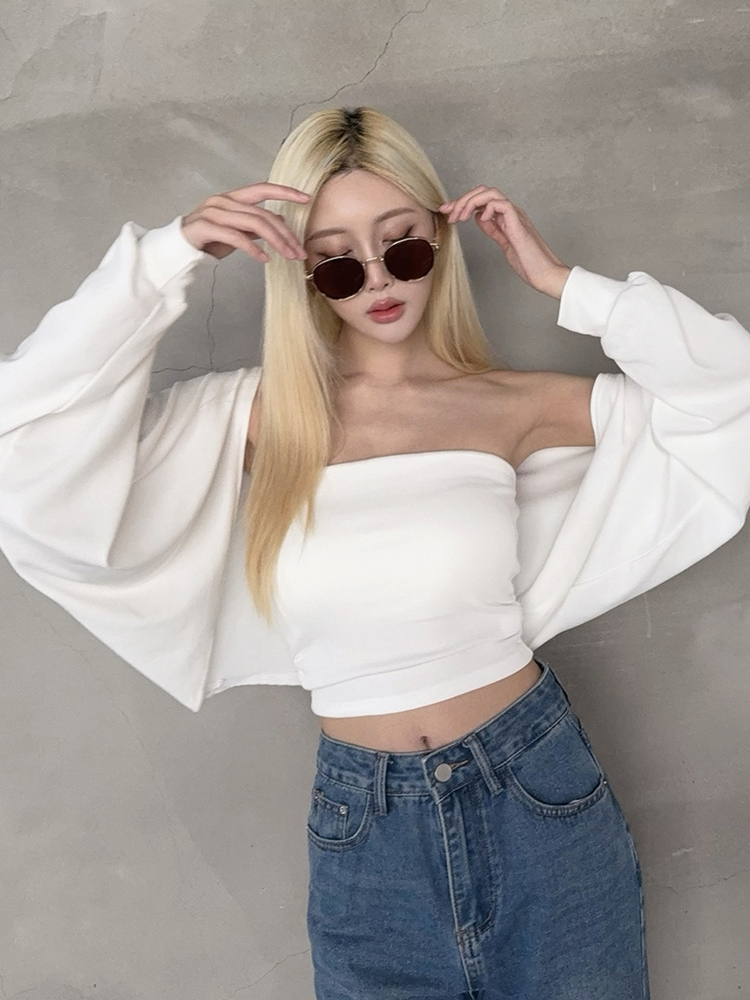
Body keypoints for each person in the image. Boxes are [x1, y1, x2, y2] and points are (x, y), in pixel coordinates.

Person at [3, 105, 750, 998]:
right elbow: (26, 446)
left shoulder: (514, 404)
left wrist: (567, 285)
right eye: (337, 261)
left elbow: (733, 399)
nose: (378, 281)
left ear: (441, 235)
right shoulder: (254, 415)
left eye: (402, 247)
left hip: (539, 796)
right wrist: (164, 260)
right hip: (366, 832)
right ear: (301, 271)